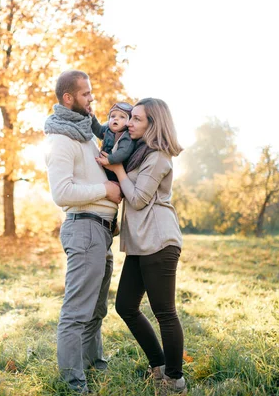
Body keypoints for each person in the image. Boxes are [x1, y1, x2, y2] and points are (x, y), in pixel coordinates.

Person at [99, 98, 187, 395]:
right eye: (129, 118)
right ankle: (159, 366)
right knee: (125, 305)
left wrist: (118, 169)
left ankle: (175, 380)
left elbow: (137, 199)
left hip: (159, 240)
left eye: (136, 119)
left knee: (165, 312)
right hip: (140, 242)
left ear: (153, 124)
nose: (129, 123)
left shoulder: (159, 157)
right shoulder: (138, 152)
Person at [44, 69, 122, 394]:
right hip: (84, 228)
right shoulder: (61, 139)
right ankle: (73, 383)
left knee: (97, 309)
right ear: (69, 98)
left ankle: (94, 363)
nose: (92, 98)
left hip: (100, 231)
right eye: (86, 94)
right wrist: (105, 190)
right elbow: (62, 192)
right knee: (77, 311)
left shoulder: (85, 133)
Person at [92, 101, 137, 183]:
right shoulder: (107, 130)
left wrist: (109, 160)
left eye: (122, 117)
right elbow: (98, 130)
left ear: (129, 121)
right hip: (103, 166)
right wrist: (92, 118)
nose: (116, 118)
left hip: (115, 172)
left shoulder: (126, 136)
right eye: (113, 116)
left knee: (112, 184)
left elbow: (124, 152)